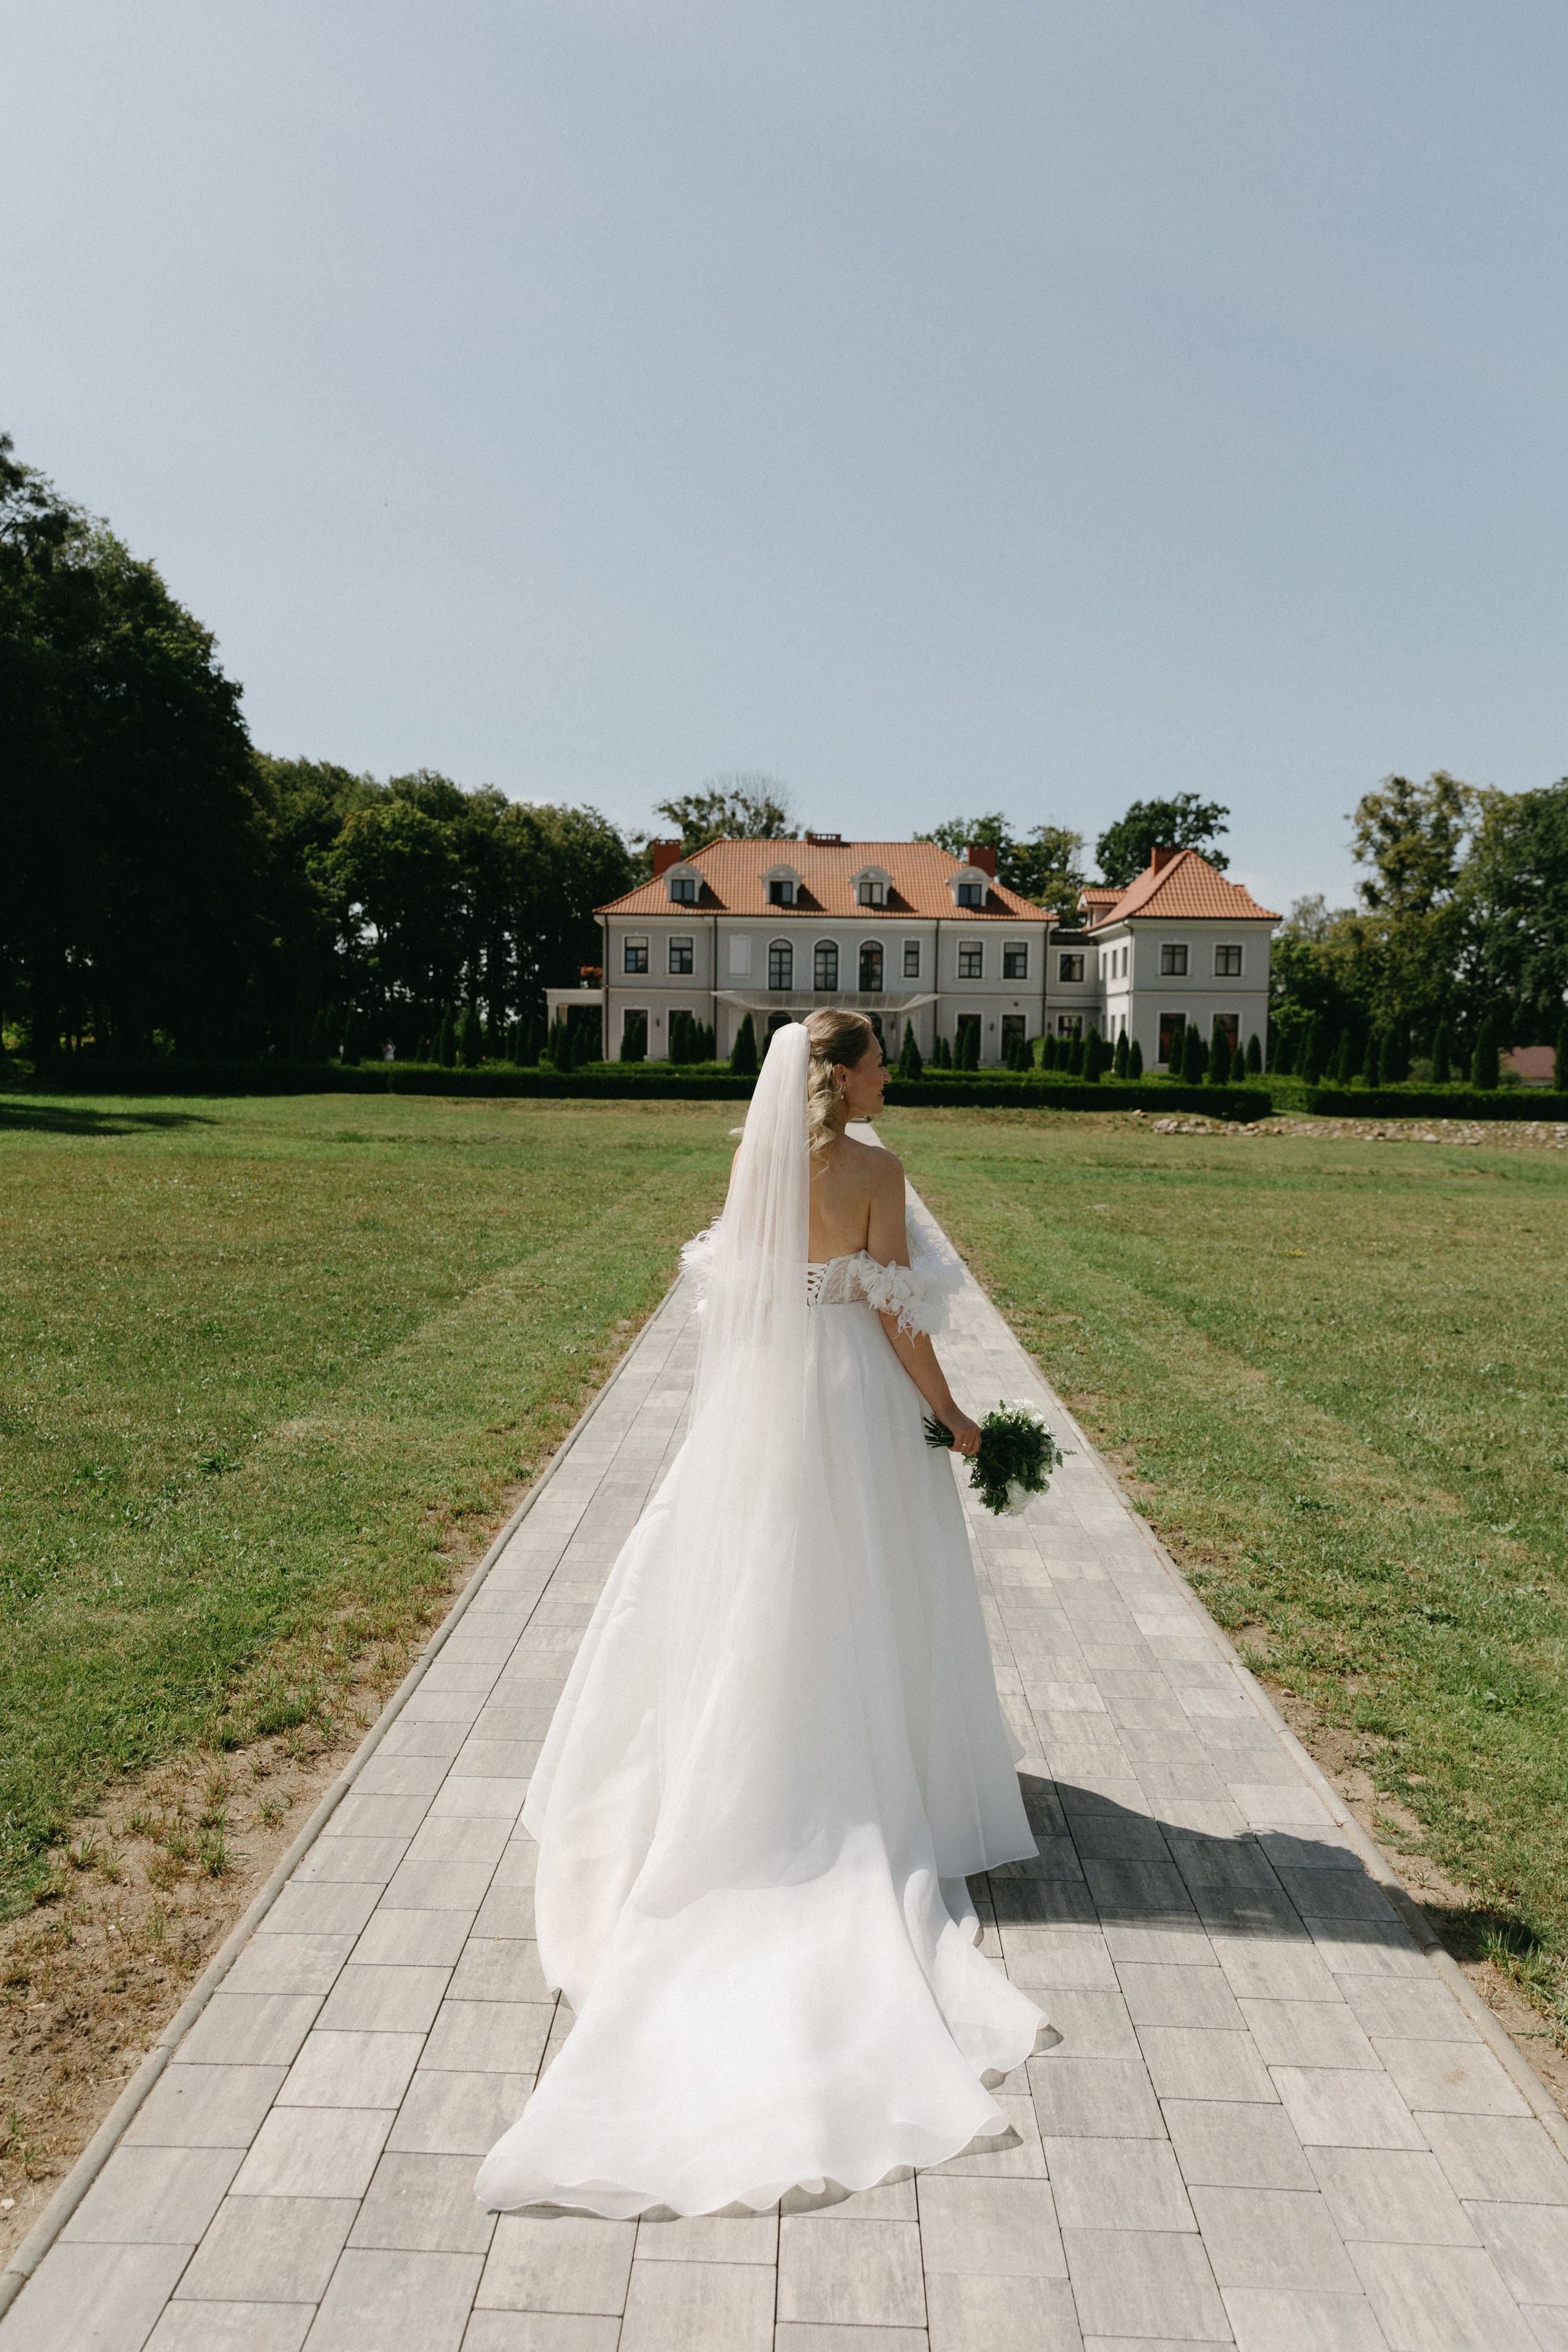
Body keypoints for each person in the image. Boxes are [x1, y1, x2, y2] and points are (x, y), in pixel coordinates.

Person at [477, 1011, 1049, 2220]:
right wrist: (953, 1416)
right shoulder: (876, 1172)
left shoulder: (759, 1163)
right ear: (843, 1077)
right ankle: (851, 1774)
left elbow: (740, 1290)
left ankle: (755, 1752)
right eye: (881, 1059)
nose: (893, 1074)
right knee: (863, 1577)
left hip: (764, 1396)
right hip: (844, 1389)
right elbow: (895, 1315)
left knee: (754, 1582)